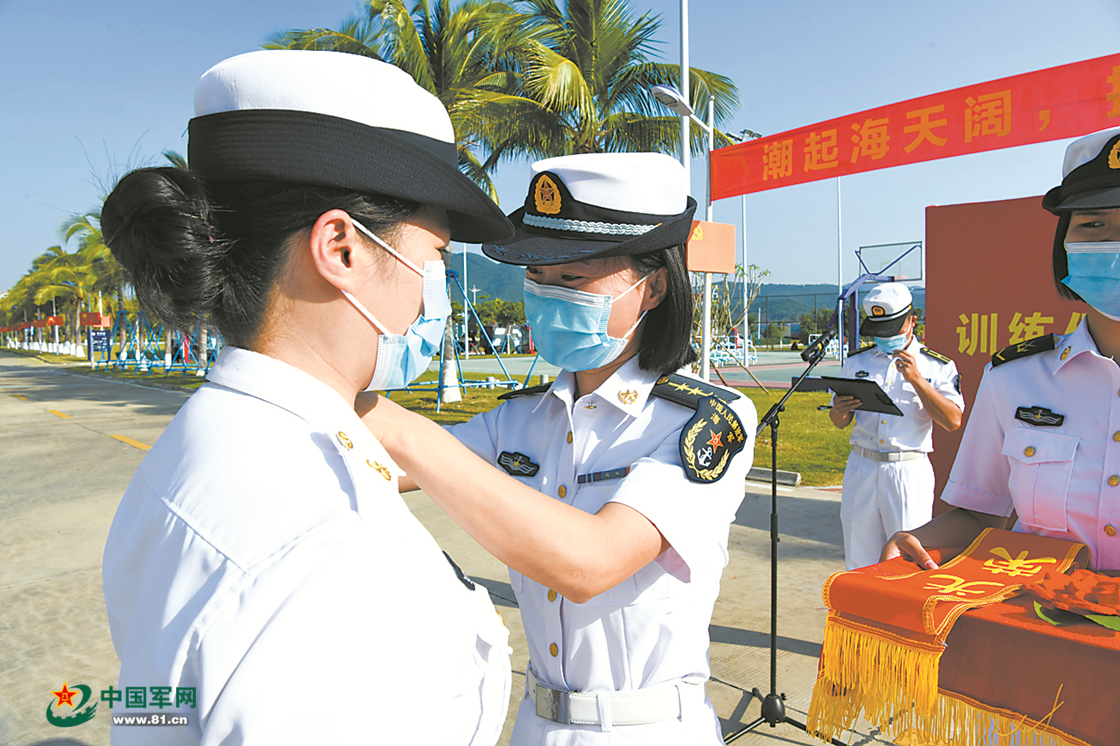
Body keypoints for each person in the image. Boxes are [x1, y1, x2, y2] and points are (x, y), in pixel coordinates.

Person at [99, 50, 514, 745]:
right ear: (341, 249)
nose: (433, 292)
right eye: (436, 258)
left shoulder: (202, 444)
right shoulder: (326, 546)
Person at [358, 152, 756, 745]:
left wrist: (396, 424)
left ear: (653, 289)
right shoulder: (519, 419)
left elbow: (590, 564)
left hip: (646, 729)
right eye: (538, 279)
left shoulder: (703, 422)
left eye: (573, 280)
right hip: (536, 725)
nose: (549, 296)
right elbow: (376, 463)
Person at [883, 126, 1120, 573]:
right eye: (1094, 224)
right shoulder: (1014, 379)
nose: (1115, 244)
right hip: (1042, 631)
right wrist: (918, 542)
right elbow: (981, 514)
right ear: (1065, 248)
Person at [829, 282, 964, 569]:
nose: (884, 338)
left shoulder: (936, 366)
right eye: (879, 331)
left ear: (912, 320)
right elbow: (840, 422)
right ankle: (858, 613)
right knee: (858, 556)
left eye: (891, 329)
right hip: (861, 466)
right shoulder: (858, 362)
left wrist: (917, 380)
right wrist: (839, 410)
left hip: (907, 470)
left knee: (908, 559)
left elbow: (953, 420)